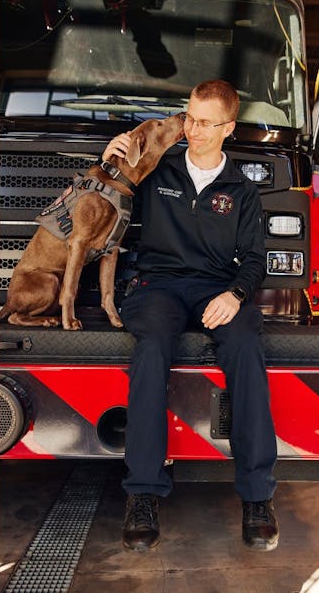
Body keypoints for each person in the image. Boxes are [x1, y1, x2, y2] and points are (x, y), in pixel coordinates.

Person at [100, 79, 278, 552]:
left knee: (245, 346)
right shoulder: (158, 168)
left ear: (228, 128)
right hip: (158, 286)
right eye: (189, 118)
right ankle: (142, 494)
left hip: (216, 289)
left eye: (204, 123)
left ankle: (257, 497)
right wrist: (111, 160)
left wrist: (236, 295)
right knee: (152, 349)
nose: (192, 130)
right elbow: (109, 196)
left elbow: (254, 258)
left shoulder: (242, 190)